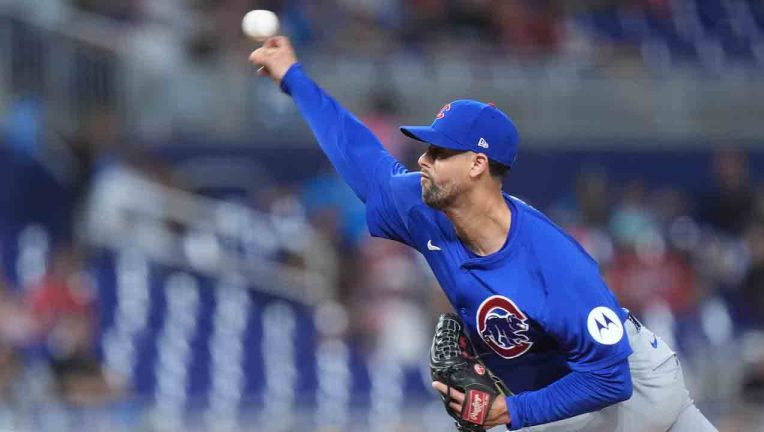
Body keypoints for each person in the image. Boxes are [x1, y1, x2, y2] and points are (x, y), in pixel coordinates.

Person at [248, 37, 717, 431]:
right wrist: (294, 78)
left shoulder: (552, 261)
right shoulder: (423, 206)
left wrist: (507, 409)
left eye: (438, 151)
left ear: (477, 164)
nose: (423, 160)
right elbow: (359, 155)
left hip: (635, 395)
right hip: (566, 394)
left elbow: (610, 378)